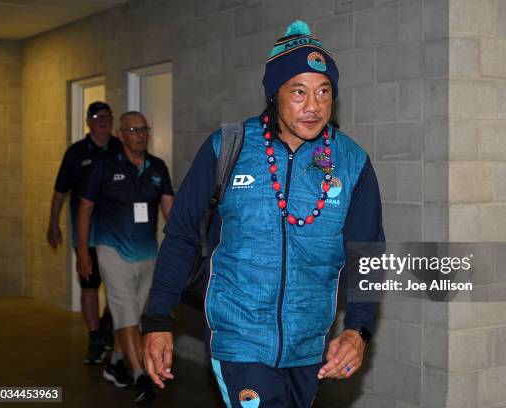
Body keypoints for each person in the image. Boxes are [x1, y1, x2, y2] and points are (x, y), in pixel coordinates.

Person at [142, 20, 385, 408]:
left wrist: (358, 328)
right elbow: (183, 234)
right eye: (299, 92)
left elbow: (368, 254)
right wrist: (157, 319)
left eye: (324, 92)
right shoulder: (229, 148)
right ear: (275, 93)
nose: (313, 106)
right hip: (239, 337)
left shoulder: (351, 162)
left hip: (310, 343)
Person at [77, 111, 174, 403]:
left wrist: (183, 247)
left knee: (133, 313)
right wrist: (84, 250)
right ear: (122, 135)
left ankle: (116, 361)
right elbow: (85, 209)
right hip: (112, 249)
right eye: (133, 130)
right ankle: (140, 375)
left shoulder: (157, 167)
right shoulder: (104, 166)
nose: (140, 134)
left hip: (147, 252)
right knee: (125, 308)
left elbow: (170, 209)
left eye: (144, 129)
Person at [47, 101, 119, 365]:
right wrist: (53, 223)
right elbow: (59, 191)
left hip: (116, 233)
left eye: (108, 117)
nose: (103, 122)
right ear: (88, 122)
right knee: (89, 283)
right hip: (85, 234)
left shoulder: (119, 149)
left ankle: (109, 321)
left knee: (117, 283)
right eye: (98, 117)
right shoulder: (76, 152)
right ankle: (94, 336)